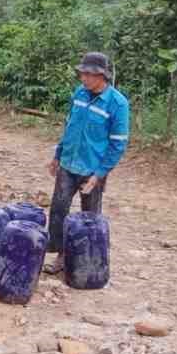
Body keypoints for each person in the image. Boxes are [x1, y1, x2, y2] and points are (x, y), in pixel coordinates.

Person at [46, 52, 130, 273]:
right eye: (82, 73)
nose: (83, 77)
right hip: (68, 163)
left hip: (92, 170)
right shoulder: (79, 93)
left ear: (101, 75)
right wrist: (58, 154)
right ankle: (61, 255)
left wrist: (99, 174)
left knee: (89, 218)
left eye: (87, 74)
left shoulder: (117, 104)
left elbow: (118, 144)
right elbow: (70, 126)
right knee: (58, 209)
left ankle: (84, 259)